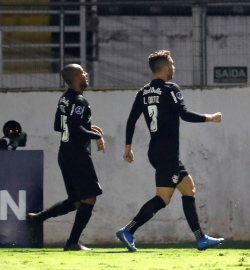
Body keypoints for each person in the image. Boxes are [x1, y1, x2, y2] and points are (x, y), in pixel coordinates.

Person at [116, 50, 224, 252]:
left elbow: (132, 120)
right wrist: (211, 117)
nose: (174, 67)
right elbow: (184, 115)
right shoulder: (170, 88)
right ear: (165, 67)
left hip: (157, 151)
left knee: (188, 188)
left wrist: (128, 147)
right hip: (167, 153)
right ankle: (128, 230)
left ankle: (201, 238)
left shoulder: (143, 92)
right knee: (163, 198)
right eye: (172, 63)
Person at [27, 64, 106, 251]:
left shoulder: (64, 99)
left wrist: (88, 127)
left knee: (76, 201)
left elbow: (59, 125)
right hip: (77, 155)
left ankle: (37, 218)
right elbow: (75, 128)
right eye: (83, 73)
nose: (86, 74)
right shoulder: (79, 100)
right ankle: (72, 243)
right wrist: (97, 136)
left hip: (65, 154)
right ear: (77, 77)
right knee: (90, 198)